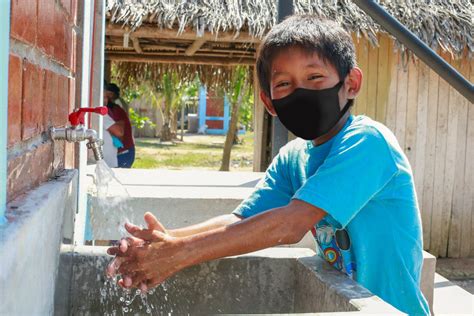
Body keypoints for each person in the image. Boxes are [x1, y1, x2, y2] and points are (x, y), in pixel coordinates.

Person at [107, 16, 429, 315]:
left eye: (314, 77)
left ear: (351, 84)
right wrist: (165, 241)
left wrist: (178, 254)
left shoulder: (367, 142)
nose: (300, 90)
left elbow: (290, 225)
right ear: (269, 102)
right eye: (285, 84)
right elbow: (241, 220)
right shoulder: (294, 157)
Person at [105, 83, 135, 168]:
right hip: (123, 151)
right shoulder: (115, 107)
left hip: (123, 152)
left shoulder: (114, 109)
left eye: (106, 95)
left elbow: (119, 132)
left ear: (110, 94)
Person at [101, 93, 124, 168]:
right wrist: (121, 123)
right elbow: (119, 132)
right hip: (106, 164)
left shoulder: (104, 112)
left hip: (106, 163)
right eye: (104, 96)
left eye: (106, 97)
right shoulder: (100, 113)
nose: (106, 100)